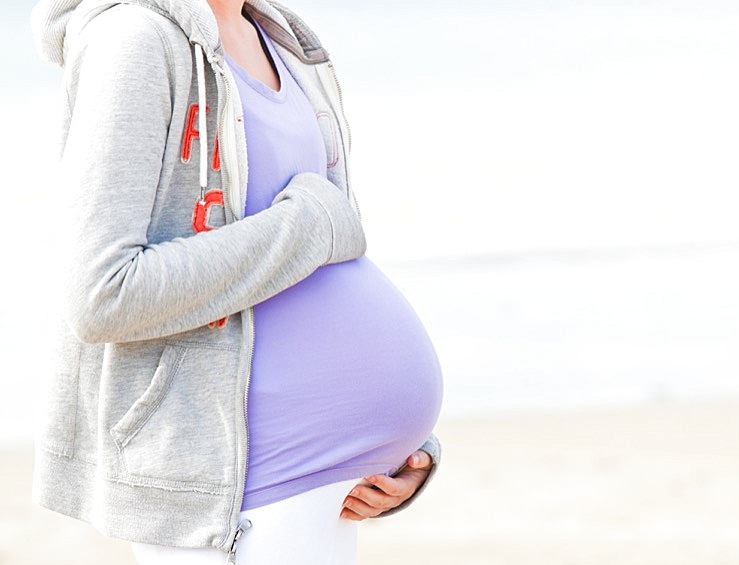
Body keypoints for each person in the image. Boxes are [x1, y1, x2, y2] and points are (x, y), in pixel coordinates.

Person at [30, 0, 444, 563]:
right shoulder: (133, 40)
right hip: (235, 487)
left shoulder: (282, 39)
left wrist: (396, 449)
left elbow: (321, 259)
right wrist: (308, 225)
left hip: (331, 484)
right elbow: (103, 293)